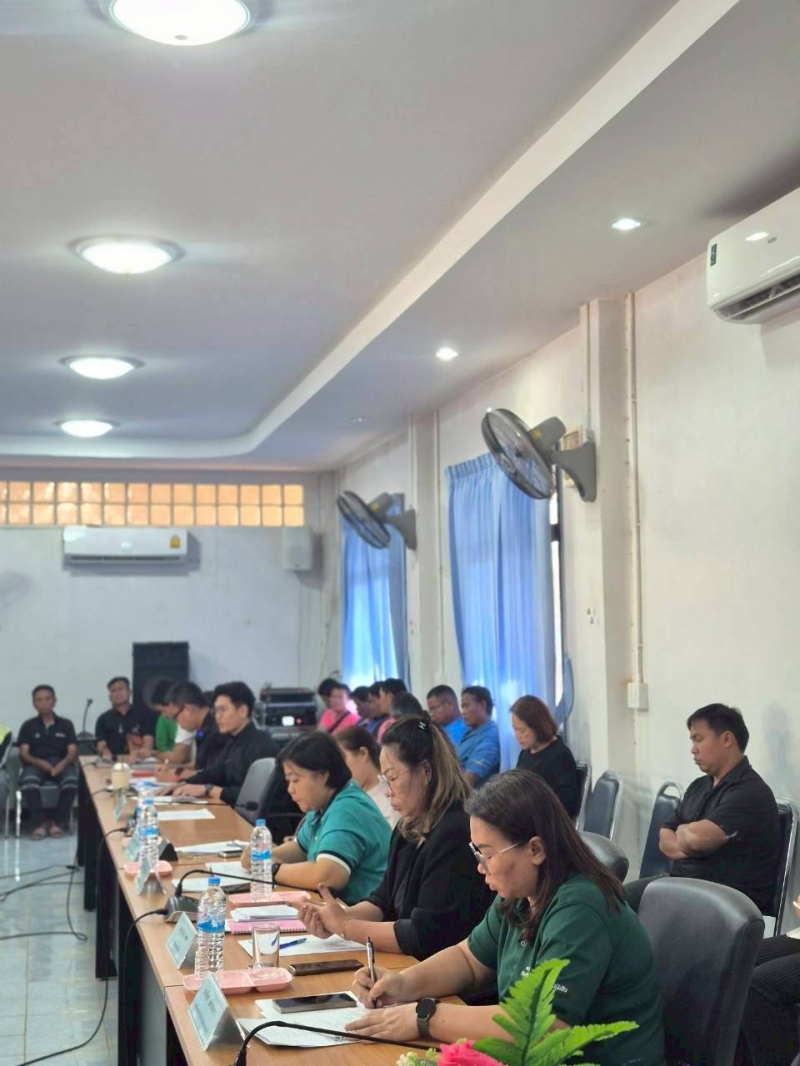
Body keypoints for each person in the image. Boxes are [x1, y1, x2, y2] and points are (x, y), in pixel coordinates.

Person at [345, 769, 665, 1066]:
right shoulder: (520, 894)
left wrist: (425, 1016)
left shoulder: (580, 908)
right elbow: (469, 959)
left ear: (536, 850)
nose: (480, 867)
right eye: (477, 853)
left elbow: (544, 1027)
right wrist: (404, 984)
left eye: (487, 854)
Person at [298, 715, 494, 959]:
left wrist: (346, 927)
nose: (387, 792)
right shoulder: (407, 828)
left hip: (443, 970)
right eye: (385, 780)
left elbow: (423, 936)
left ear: (426, 771)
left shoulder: (456, 833)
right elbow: (382, 902)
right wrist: (335, 916)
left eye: (392, 778)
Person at [624, 703, 781, 914]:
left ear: (727, 739)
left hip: (722, 901)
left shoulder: (750, 792)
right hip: (683, 885)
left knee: (617, 911)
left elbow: (696, 839)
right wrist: (692, 843)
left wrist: (688, 836)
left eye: (698, 739)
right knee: (609, 900)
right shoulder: (699, 786)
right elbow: (664, 838)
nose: (693, 749)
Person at [266, 731, 390, 904]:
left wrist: (273, 869)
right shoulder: (322, 804)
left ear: (323, 775)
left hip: (366, 915)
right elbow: (300, 849)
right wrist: (262, 857)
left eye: (295, 780)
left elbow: (327, 877)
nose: (290, 789)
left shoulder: (347, 810)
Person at [168, 682, 277, 806]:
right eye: (216, 711)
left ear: (242, 711)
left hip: (255, 817)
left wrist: (208, 789)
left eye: (223, 710)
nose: (218, 716)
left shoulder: (261, 745)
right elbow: (212, 773)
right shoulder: (233, 742)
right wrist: (182, 784)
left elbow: (255, 795)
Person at [18, 685, 79, 839]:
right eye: (39, 700)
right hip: (35, 763)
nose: (44, 703)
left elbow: (72, 751)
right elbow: (24, 753)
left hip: (61, 762)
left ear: (54, 701)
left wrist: (62, 764)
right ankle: (39, 824)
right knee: (28, 782)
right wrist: (40, 763)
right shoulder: (28, 726)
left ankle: (57, 822)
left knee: (72, 782)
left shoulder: (66, 724)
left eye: (47, 699)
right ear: (34, 704)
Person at [511, 695, 580, 819]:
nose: (517, 736)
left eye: (522, 731)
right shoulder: (525, 753)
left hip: (545, 822)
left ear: (537, 726)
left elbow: (567, 805)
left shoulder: (559, 756)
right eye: (515, 730)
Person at [159, 682, 228, 776]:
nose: (177, 723)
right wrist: (174, 768)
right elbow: (201, 765)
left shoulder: (217, 730)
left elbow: (214, 775)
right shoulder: (202, 730)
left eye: (175, 717)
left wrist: (177, 776)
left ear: (188, 709)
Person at [335, 725, 399, 826]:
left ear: (363, 753)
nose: (340, 769)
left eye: (343, 760)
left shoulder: (391, 801)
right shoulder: (347, 800)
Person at [95, 676, 155, 760]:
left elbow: (148, 740)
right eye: (113, 691)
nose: (118, 693)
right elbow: (101, 745)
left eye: (121, 689)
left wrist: (140, 756)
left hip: (140, 760)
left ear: (129, 692)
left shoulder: (145, 714)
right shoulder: (103, 719)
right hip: (113, 761)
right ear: (110, 697)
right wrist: (110, 758)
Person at [457, 685, 500, 789]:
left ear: (482, 705)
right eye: (462, 707)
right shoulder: (471, 731)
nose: (463, 712)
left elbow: (467, 782)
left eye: (467, 706)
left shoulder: (489, 739)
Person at [148, 677, 179, 753]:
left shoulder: (189, 722)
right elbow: (161, 747)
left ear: (173, 704)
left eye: (164, 711)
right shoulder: (163, 719)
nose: (163, 715)